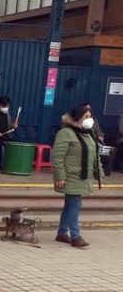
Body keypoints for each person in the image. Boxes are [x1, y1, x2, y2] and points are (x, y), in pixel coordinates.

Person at [52, 105, 102, 248]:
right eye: (85, 117)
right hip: (70, 176)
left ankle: (62, 233)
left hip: (83, 176)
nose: (89, 120)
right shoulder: (65, 133)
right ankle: (75, 236)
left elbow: (94, 156)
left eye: (90, 117)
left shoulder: (88, 133)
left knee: (70, 206)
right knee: (75, 205)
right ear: (77, 118)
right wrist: (60, 176)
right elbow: (57, 157)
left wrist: (98, 173)